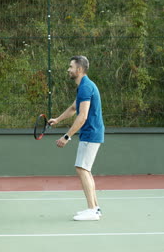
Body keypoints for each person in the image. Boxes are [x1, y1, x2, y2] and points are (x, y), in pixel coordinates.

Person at [48, 56, 104, 221]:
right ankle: (96, 208)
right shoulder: (83, 87)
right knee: (85, 169)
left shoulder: (86, 87)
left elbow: (83, 116)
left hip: (91, 133)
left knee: (82, 169)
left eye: (70, 66)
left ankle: (92, 210)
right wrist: (57, 119)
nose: (68, 69)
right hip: (91, 133)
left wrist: (67, 136)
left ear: (79, 69)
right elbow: (74, 108)